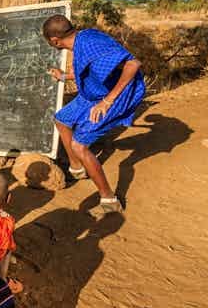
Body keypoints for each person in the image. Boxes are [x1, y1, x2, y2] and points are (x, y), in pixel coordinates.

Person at [44, 14, 145, 217]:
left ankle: (109, 200)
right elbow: (91, 69)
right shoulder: (81, 39)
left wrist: (107, 102)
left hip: (115, 95)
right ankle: (77, 169)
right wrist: (64, 76)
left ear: (55, 41)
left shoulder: (90, 42)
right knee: (61, 119)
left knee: (79, 145)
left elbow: (133, 64)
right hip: (94, 92)